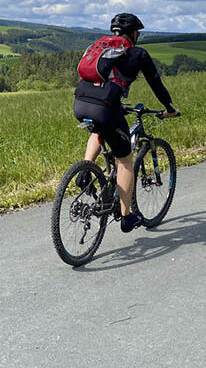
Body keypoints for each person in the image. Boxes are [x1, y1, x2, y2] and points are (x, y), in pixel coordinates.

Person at [73, 12, 180, 233]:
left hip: (81, 102)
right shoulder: (137, 54)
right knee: (125, 160)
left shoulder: (100, 48)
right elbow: (156, 84)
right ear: (134, 33)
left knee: (99, 130)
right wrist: (170, 109)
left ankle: (86, 170)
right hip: (105, 107)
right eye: (137, 33)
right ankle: (126, 216)